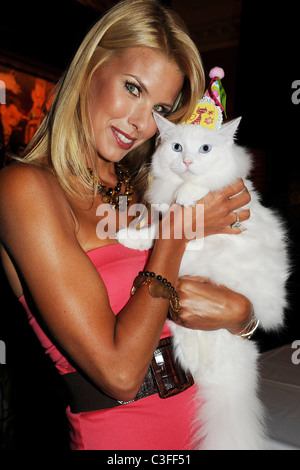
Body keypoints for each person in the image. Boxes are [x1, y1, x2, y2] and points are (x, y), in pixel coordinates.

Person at [0, 0, 252, 450]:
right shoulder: (24, 190)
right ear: (92, 65)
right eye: (132, 88)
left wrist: (243, 317)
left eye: (158, 107)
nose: (140, 123)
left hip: (212, 421)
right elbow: (119, 373)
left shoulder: (145, 184)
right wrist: (177, 231)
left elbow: (222, 292)